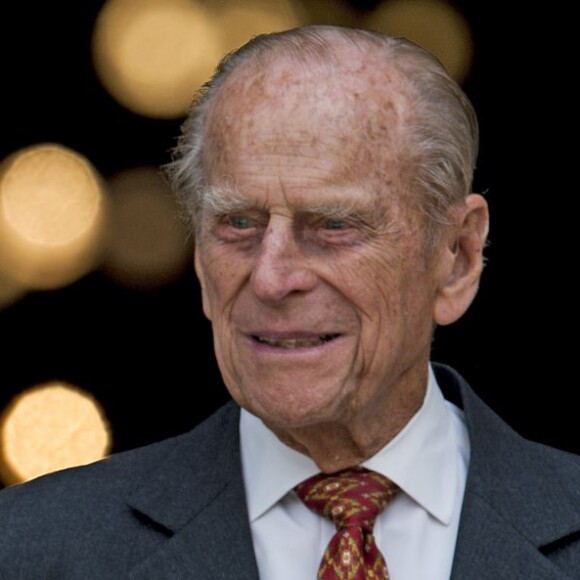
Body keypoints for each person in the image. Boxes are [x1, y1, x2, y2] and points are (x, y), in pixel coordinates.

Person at [0, 24, 579, 580]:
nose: (272, 279)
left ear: (456, 257)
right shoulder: (29, 550)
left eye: (332, 224)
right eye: (238, 223)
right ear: (200, 260)